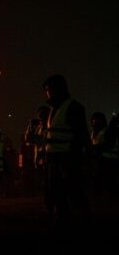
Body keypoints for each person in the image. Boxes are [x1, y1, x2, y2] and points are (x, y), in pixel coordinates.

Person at [42, 74, 91, 226]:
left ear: (58, 89)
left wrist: (73, 158)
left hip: (67, 157)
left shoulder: (73, 108)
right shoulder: (56, 109)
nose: (47, 93)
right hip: (54, 157)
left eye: (49, 90)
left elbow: (81, 135)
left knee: (74, 191)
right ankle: (63, 218)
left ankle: (83, 219)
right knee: (57, 191)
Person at [25, 106, 54, 214]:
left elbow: (42, 141)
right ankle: (48, 206)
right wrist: (30, 128)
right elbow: (28, 140)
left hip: (48, 158)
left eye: (43, 115)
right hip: (41, 160)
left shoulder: (49, 127)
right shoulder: (39, 128)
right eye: (40, 116)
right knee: (45, 184)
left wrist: (34, 137)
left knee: (50, 184)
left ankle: (51, 206)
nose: (40, 118)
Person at [89, 112, 117, 197]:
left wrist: (96, 148)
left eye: (96, 121)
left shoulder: (107, 132)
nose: (94, 123)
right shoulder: (94, 133)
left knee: (107, 179)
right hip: (101, 159)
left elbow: (109, 145)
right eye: (93, 122)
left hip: (109, 159)